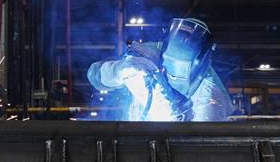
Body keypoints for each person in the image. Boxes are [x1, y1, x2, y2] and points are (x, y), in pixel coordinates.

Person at [87, 18, 232, 121]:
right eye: (168, 63)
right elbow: (94, 74)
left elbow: (200, 148)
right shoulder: (147, 53)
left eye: (180, 68)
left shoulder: (212, 94)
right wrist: (118, 70)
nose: (173, 74)